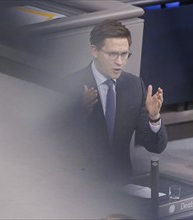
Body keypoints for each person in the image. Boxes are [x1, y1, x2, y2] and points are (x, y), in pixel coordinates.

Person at [56, 19, 168, 182]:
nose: (120, 62)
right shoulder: (69, 86)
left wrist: (154, 118)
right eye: (113, 54)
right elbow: (54, 145)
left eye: (124, 54)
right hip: (77, 185)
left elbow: (155, 146)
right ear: (94, 51)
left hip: (120, 184)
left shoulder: (135, 86)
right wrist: (80, 113)